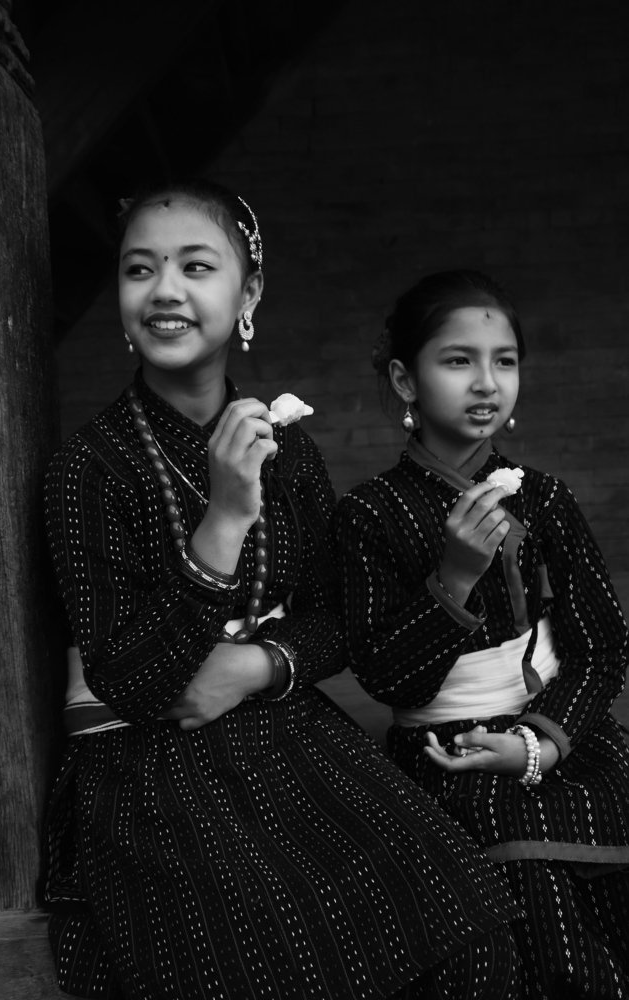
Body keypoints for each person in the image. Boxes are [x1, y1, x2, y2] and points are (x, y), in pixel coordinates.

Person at [42, 189, 522, 1000]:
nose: (165, 290)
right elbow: (129, 678)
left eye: (197, 267)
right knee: (282, 956)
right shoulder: (87, 467)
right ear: (122, 304)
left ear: (248, 296)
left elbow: (335, 618)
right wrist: (224, 518)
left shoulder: (287, 448)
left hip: (286, 731)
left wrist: (260, 665)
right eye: (139, 270)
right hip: (150, 767)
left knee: (467, 920)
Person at [336, 268, 629, 999]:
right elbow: (383, 675)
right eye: (457, 360)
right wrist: (456, 578)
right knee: (508, 933)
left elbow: (602, 645)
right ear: (405, 381)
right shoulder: (370, 514)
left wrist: (539, 742)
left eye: (504, 361)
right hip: (443, 755)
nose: (486, 382)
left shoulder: (547, 499)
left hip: (556, 743)